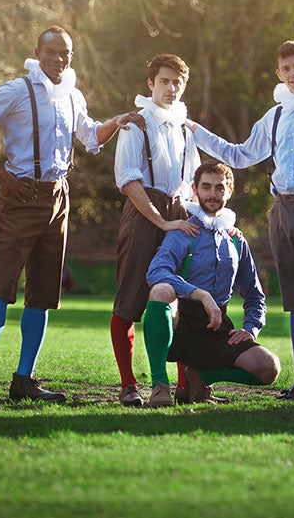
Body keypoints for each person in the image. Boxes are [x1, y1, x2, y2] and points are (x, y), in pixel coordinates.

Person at [0, 25, 143, 402]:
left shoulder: (72, 95)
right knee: (2, 288)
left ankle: (24, 379)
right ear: (37, 53)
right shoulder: (17, 90)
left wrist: (119, 120)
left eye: (65, 54)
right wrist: (3, 176)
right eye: (52, 52)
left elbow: (89, 136)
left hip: (58, 198)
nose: (59, 59)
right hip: (20, 195)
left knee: (43, 293)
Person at [186, 40, 294, 403]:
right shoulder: (275, 115)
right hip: (281, 212)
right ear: (279, 74)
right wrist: (197, 131)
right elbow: (241, 154)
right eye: (287, 68)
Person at [143, 161, 280, 406]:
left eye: (219, 188)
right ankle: (160, 386)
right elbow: (156, 271)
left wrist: (250, 328)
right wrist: (200, 294)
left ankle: (199, 374)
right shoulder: (183, 231)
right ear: (195, 190)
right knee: (161, 290)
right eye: (206, 187)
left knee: (269, 367)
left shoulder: (236, 240)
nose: (212, 194)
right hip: (181, 321)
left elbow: (255, 295)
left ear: (229, 191)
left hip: (215, 327)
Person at [110, 54, 201, 407]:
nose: (171, 87)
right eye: (164, 81)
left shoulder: (184, 128)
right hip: (144, 214)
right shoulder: (136, 125)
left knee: (177, 299)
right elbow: (129, 182)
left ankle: (181, 384)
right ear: (151, 84)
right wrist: (162, 222)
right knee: (130, 299)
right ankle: (128, 384)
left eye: (177, 82)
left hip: (179, 214)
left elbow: (191, 183)